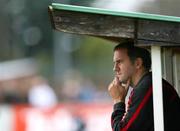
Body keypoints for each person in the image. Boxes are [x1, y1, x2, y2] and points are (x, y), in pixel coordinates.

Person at [108, 41, 180, 131]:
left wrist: (118, 100)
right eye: (114, 63)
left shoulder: (147, 87)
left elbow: (122, 129)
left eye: (119, 62)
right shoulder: (146, 83)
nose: (115, 68)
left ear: (138, 63)